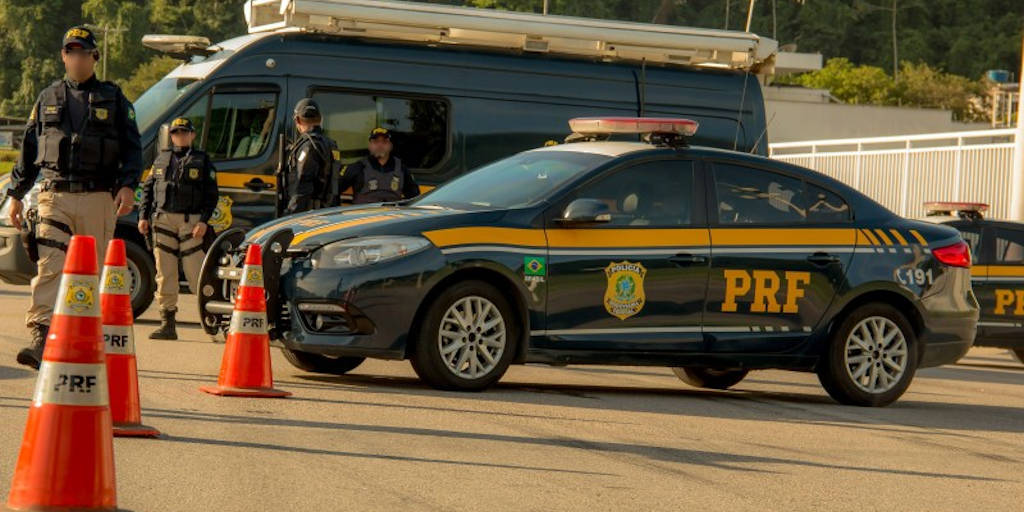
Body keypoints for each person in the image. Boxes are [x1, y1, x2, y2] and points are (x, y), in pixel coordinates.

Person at [6, 26, 142, 369]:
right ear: (63, 56)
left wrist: (127, 185)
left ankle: (80, 340)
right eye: (70, 51)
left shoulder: (114, 99)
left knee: (89, 273)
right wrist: (17, 195)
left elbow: (132, 149)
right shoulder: (47, 97)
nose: (76, 57)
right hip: (55, 195)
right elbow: (29, 150)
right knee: (50, 265)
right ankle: (41, 336)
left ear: (94, 57)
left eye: (83, 51)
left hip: (98, 196)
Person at [138, 117, 218, 340]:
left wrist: (203, 221)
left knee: (196, 274)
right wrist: (143, 216)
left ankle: (212, 319)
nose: (180, 136)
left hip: (190, 223)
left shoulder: (202, 161)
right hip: (163, 221)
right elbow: (148, 190)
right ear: (171, 136)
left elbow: (212, 195)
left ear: (192, 135)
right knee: (165, 274)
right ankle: (168, 324)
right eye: (176, 133)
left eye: (184, 132)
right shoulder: (161, 159)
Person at [335, 128, 420, 205]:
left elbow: (415, 197)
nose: (380, 145)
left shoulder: (401, 169)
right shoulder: (358, 167)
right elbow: (334, 190)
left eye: (384, 142)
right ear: (370, 146)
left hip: (392, 218)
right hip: (364, 218)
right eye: (375, 142)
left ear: (390, 146)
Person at [284, 98, 335, 214]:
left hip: (308, 215)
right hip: (329, 212)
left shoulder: (309, 146)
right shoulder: (331, 144)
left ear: (297, 120)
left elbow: (302, 186)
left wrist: (291, 214)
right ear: (320, 119)